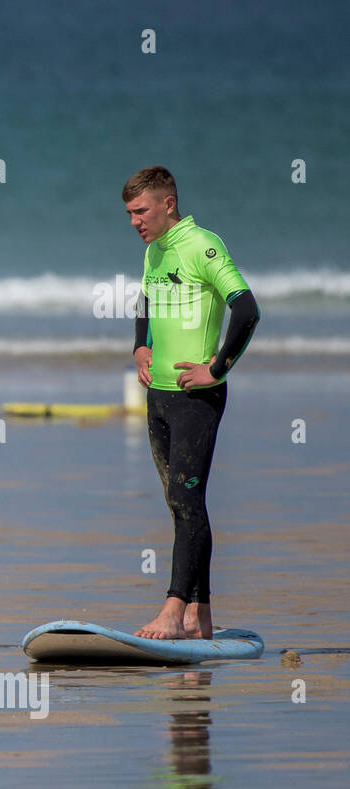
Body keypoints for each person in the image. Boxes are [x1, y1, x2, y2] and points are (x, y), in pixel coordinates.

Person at [122, 166, 259, 640]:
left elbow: (246, 308)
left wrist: (216, 369)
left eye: (141, 211)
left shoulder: (203, 245)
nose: (135, 221)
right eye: (130, 214)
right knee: (180, 504)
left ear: (168, 204)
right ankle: (200, 615)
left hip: (195, 400)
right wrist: (140, 346)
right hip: (157, 396)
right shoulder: (153, 252)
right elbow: (145, 302)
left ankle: (172, 611)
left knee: (185, 499)